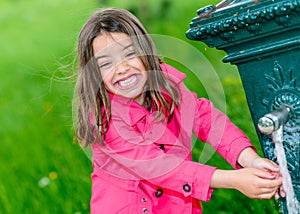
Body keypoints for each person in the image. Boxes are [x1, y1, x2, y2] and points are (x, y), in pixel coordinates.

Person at [75, 8, 283, 214]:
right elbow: (160, 167)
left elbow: (206, 119)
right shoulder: (105, 121)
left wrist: (250, 161)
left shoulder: (165, 84)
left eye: (129, 53)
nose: (121, 68)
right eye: (106, 64)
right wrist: (234, 180)